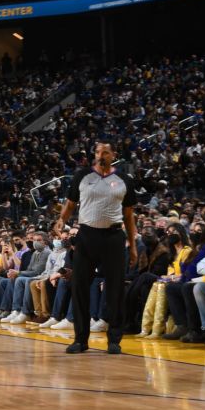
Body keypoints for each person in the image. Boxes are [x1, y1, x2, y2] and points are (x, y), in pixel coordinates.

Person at [54, 142, 139, 354]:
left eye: (106, 152)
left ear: (114, 155)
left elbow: (129, 216)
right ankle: (80, 339)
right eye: (98, 152)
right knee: (79, 286)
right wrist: (61, 220)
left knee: (115, 289)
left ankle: (114, 339)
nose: (101, 155)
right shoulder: (82, 176)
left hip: (113, 236)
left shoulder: (124, 180)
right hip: (86, 235)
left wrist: (133, 246)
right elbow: (70, 204)